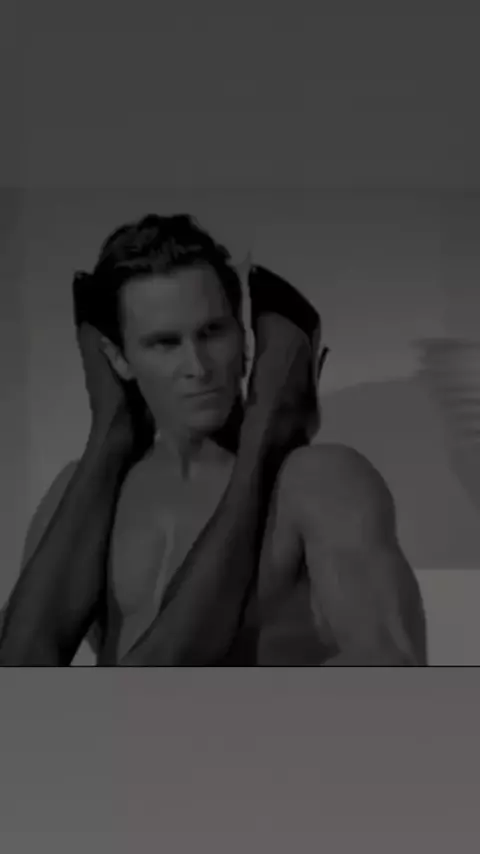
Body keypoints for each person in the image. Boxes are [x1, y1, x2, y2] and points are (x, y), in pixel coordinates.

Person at [0, 214, 427, 666]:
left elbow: (392, 661)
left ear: (244, 338)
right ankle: (144, 424)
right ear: (119, 359)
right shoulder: (82, 493)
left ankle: (250, 427)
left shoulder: (315, 481)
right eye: (165, 343)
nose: (198, 367)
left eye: (213, 332)